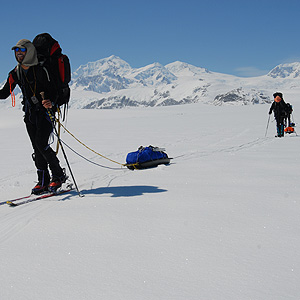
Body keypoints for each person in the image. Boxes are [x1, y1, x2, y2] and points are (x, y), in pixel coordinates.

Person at [0, 39, 67, 194]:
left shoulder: (42, 69)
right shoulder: (16, 72)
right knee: (37, 148)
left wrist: (52, 101)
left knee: (41, 143)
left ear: (29, 51)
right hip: (30, 115)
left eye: (22, 51)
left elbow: (55, 91)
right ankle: (43, 180)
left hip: (46, 113)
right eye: (16, 51)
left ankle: (58, 175)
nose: (18, 54)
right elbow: (4, 93)